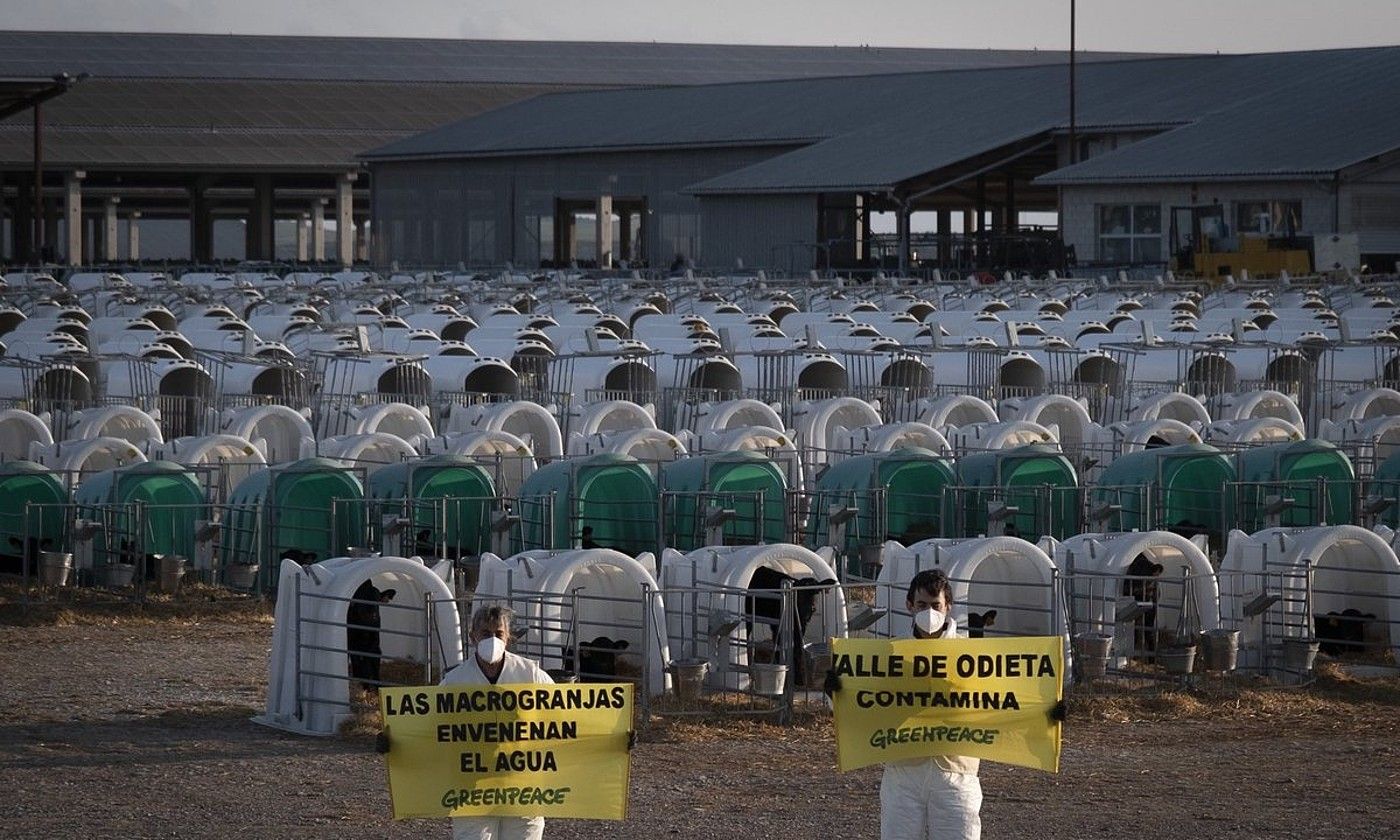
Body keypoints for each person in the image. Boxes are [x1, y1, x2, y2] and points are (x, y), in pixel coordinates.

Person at [442, 605, 554, 840]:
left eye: (498, 633)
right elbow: (428, 727)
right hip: (472, 789)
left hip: (523, 787)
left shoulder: (531, 675)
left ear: (508, 638)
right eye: (485, 633)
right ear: (473, 637)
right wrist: (396, 740)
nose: (492, 639)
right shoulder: (454, 682)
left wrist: (613, 738)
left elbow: (569, 716)